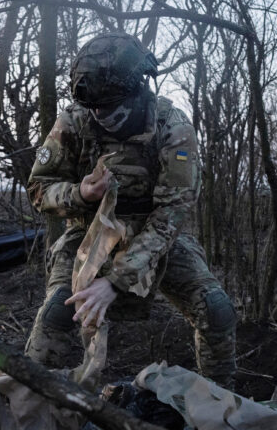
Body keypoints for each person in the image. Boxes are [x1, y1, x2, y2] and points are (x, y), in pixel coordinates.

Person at [24, 32, 237, 389]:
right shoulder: (74, 121)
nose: (100, 117)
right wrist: (81, 194)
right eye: (94, 109)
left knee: (216, 310)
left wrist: (117, 281)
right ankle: (29, 406)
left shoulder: (172, 127)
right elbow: (38, 188)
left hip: (156, 235)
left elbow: (172, 214)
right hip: (89, 234)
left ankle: (218, 408)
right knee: (57, 312)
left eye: (109, 108)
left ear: (136, 91)